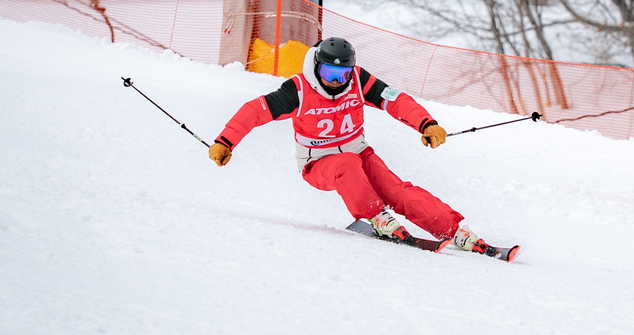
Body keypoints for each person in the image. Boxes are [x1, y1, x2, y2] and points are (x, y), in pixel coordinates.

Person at [208, 36, 499, 254]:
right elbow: (255, 110)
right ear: (317, 68)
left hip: (358, 152)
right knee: (346, 165)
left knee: (396, 190)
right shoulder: (298, 90)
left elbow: (395, 99)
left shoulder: (358, 81)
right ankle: (375, 217)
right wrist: (226, 141)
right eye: (330, 76)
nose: (336, 82)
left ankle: (454, 229)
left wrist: (426, 123)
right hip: (318, 164)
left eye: (342, 75)